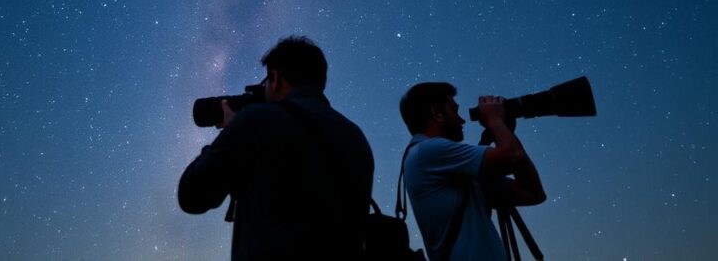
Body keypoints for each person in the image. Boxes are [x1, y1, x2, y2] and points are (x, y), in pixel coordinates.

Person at [179, 36, 374, 261]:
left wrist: (231, 130)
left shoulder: (258, 120)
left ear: (275, 78)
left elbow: (192, 196)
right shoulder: (356, 136)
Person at [399, 82, 546, 261]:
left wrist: (502, 130)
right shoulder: (427, 150)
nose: (461, 120)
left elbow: (533, 193)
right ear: (437, 114)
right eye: (454, 110)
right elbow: (514, 155)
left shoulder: (451, 171)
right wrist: (495, 120)